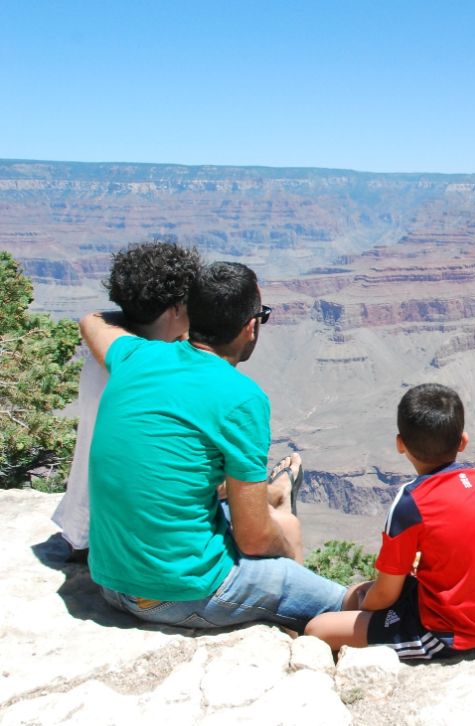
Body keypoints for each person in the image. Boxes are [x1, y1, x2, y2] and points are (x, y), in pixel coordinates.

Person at [80, 261, 346, 631]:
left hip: (111, 580)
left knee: (268, 517)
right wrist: (286, 552)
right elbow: (253, 541)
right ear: (250, 327)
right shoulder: (241, 398)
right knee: (343, 603)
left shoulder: (136, 357)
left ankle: (276, 496)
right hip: (176, 594)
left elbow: (92, 319)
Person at [305, 383, 475, 658]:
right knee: (357, 593)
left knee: (316, 630)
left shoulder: (410, 502)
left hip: (446, 633)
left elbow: (386, 594)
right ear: (463, 441)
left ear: (400, 444)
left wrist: (369, 610)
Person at [52, 241, 201, 560]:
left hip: (82, 529)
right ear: (176, 308)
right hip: (117, 542)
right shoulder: (155, 367)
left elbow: (94, 317)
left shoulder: (108, 352)